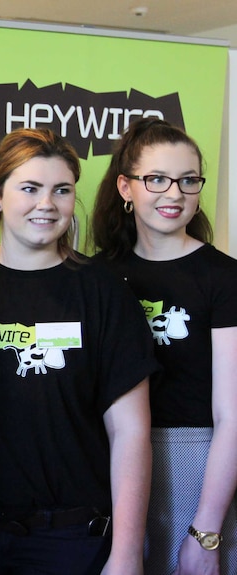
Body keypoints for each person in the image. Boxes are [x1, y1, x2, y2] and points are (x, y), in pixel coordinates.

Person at [0, 128, 156, 574]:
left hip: (70, 539)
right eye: (30, 188)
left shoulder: (102, 291)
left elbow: (131, 432)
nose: (47, 204)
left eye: (62, 190)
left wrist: (127, 553)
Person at [91, 118, 237, 574]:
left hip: (199, 475)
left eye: (188, 180)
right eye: (156, 179)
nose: (175, 193)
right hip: (104, 472)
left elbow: (232, 416)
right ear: (125, 187)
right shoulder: (96, 277)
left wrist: (206, 532)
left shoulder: (223, 278)